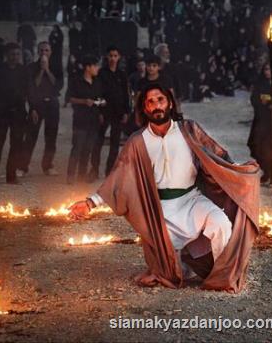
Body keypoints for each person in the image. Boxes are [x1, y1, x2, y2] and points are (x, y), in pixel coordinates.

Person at [67, 84, 259, 293]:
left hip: (192, 200)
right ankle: (181, 266)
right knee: (167, 270)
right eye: (150, 102)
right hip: (160, 210)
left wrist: (238, 172)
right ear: (145, 109)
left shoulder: (189, 130)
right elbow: (118, 177)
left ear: (169, 103)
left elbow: (217, 157)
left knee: (220, 223)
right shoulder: (138, 142)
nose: (156, 105)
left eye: (160, 100)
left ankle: (222, 277)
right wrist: (90, 203)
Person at [0, 43, 28, 184]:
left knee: (16, 145)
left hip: (19, 112)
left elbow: (30, 91)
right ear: (7, 55)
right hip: (2, 111)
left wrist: (33, 108)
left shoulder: (24, 71)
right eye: (12, 54)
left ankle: (11, 176)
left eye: (17, 54)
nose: (15, 57)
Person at [19, 42, 63, 176]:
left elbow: (58, 86)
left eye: (47, 50)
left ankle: (48, 165)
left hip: (52, 104)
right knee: (31, 137)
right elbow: (33, 87)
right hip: (37, 104)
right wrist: (42, 70)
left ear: (51, 52)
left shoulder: (56, 66)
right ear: (38, 52)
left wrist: (48, 70)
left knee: (51, 137)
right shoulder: (31, 67)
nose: (44, 53)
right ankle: (23, 166)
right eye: (42, 50)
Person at [90, 46, 130, 179]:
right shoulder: (101, 74)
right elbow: (97, 92)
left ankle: (109, 172)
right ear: (107, 57)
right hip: (104, 111)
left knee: (115, 143)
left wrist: (126, 111)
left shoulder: (122, 74)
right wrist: (99, 112)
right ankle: (94, 170)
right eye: (110, 55)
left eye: (115, 56)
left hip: (118, 112)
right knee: (98, 142)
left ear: (119, 57)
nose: (113, 58)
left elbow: (126, 94)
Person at [67, 55, 105, 184]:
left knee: (88, 149)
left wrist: (101, 103)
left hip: (93, 120)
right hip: (80, 120)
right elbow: (70, 98)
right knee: (77, 147)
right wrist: (84, 101)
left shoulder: (97, 82)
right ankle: (70, 176)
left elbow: (100, 97)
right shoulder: (76, 81)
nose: (97, 68)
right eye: (95, 66)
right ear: (88, 67)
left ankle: (81, 175)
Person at [247, 63, 272, 184]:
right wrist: (262, 103)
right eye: (266, 69)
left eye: (270, 69)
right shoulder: (260, 84)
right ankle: (266, 171)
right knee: (255, 146)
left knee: (271, 149)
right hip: (260, 120)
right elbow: (254, 99)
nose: (268, 72)